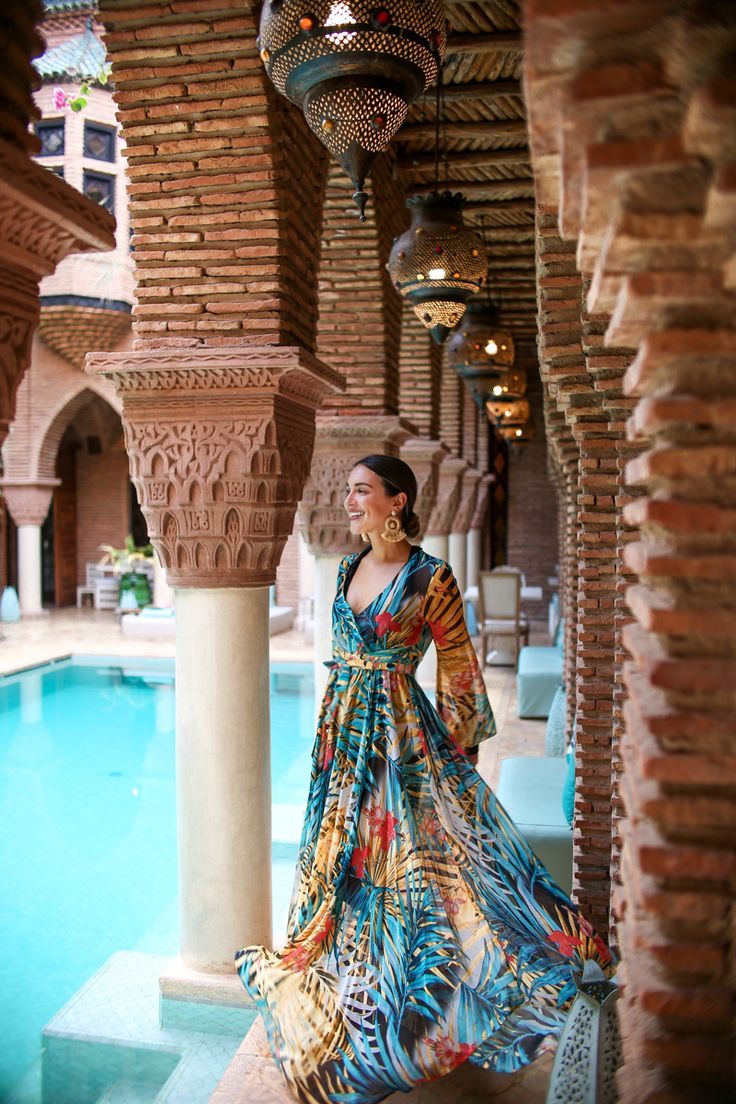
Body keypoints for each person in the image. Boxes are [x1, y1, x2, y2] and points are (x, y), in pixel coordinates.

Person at [236, 454, 612, 1104]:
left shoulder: (430, 576)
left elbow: (461, 667)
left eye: (361, 491)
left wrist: (458, 757)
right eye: (348, 490)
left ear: (398, 501)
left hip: (402, 738)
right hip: (342, 737)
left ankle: (416, 992)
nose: (348, 501)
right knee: (346, 860)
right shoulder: (348, 568)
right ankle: (355, 976)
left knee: (406, 864)